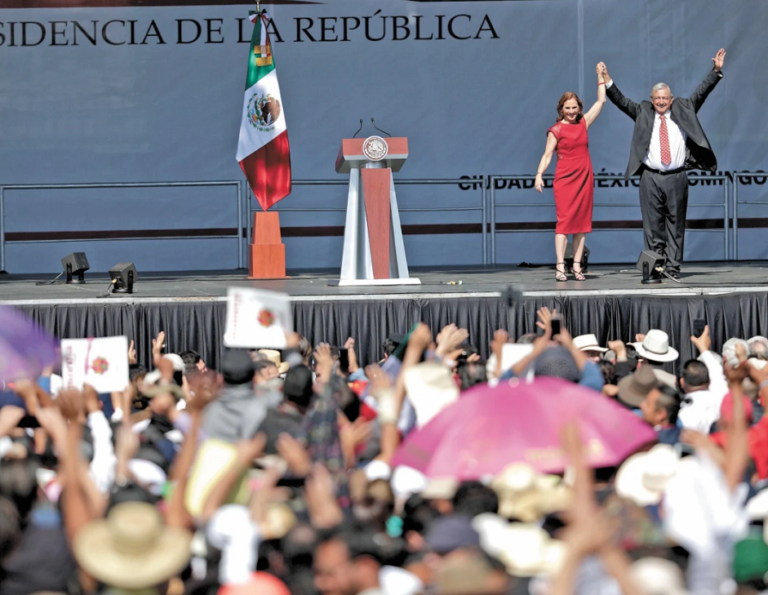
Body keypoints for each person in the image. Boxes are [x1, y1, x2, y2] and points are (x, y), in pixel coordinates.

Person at [600, 49, 726, 279]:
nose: (661, 102)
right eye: (657, 98)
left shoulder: (684, 108)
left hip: (676, 176)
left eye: (665, 98)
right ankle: (654, 269)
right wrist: (607, 79)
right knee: (652, 226)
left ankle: (673, 268)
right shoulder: (642, 111)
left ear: (671, 99)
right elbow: (621, 101)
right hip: (650, 177)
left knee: (675, 225)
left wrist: (715, 71)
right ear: (652, 99)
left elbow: (701, 92)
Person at [534, 64, 607, 282]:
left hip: (584, 178)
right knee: (564, 223)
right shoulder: (556, 130)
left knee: (582, 225)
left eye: (575, 107)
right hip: (565, 180)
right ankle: (560, 265)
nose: (572, 111)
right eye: (568, 108)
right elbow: (547, 154)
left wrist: (601, 76)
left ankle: (576, 266)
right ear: (561, 109)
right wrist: (539, 174)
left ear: (579, 108)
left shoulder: (584, 123)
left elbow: (601, 101)